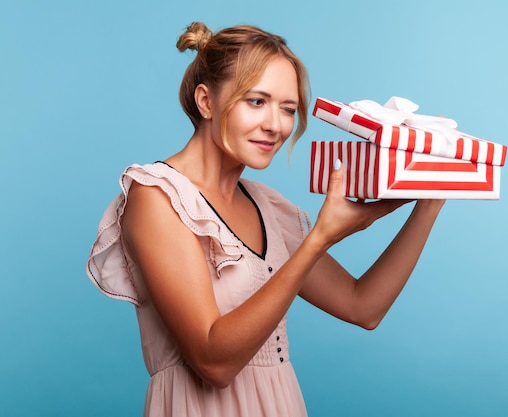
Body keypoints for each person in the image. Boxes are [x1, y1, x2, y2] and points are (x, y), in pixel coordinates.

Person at [86, 21, 445, 417]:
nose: (276, 125)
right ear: (206, 102)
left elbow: (364, 308)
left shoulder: (265, 205)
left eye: (288, 109)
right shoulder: (158, 197)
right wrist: (318, 239)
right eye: (256, 101)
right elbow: (213, 362)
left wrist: (428, 204)